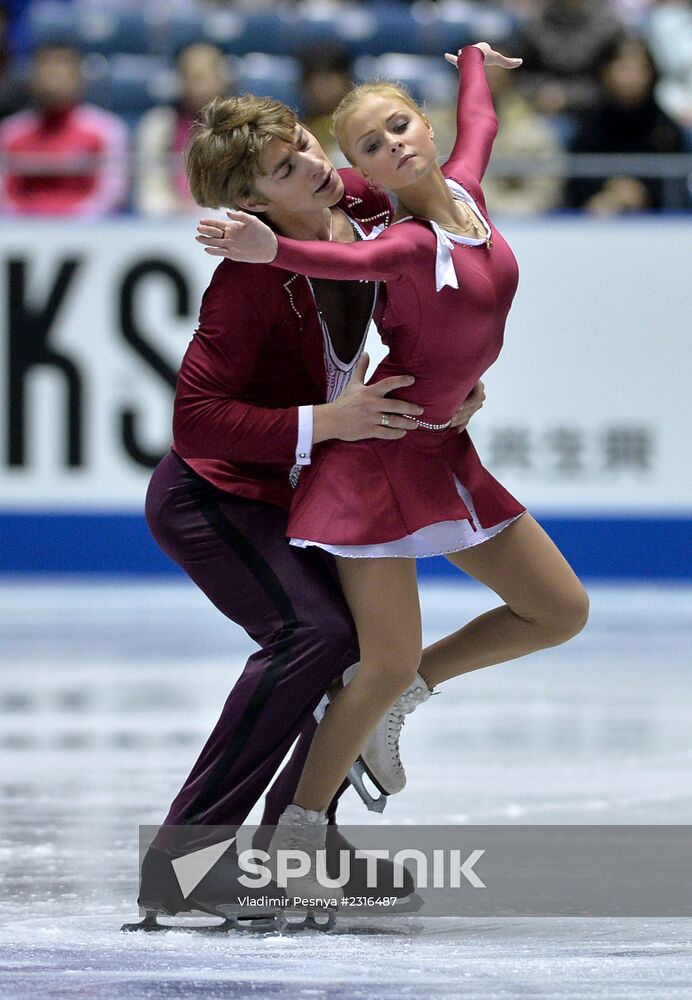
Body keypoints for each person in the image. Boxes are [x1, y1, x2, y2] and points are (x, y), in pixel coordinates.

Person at [196, 42, 590, 907]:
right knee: (377, 658)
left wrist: (477, 63)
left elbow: (480, 119)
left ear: (425, 124)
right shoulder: (405, 244)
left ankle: (406, 696)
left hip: (444, 448)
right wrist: (266, 250)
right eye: (369, 146)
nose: (393, 148)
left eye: (401, 126)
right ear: (359, 167)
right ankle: (297, 840)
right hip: (375, 458)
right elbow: (346, 263)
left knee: (559, 609)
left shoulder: (468, 195)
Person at [138, 92, 485, 925]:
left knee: (361, 654)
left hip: (294, 484)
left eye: (304, 145)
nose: (316, 166)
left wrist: (455, 381)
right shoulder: (242, 288)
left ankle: (299, 848)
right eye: (287, 169)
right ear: (254, 204)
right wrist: (330, 421)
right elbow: (195, 419)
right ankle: (183, 863)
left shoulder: (355, 206)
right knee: (314, 633)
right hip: (211, 494)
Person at [0, 43, 128, 216]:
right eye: (46, 68)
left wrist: (66, 225)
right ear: (32, 78)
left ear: (79, 77)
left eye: (63, 68)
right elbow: (4, 196)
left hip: (86, 234)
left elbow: (111, 194)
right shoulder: (11, 132)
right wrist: (29, 224)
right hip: (21, 232)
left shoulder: (107, 129)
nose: (54, 77)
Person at [565, 35, 686, 214]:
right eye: (622, 67)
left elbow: (676, 190)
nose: (630, 76)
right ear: (605, 72)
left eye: (638, 68)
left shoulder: (665, 129)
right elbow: (576, 185)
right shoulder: (589, 124)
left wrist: (639, 193)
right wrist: (610, 191)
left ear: (651, 73)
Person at [135, 42, 232, 217]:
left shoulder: (245, 127)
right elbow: (149, 191)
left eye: (205, 74)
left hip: (227, 218)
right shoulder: (157, 125)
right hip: (170, 222)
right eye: (190, 74)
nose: (198, 82)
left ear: (223, 78)